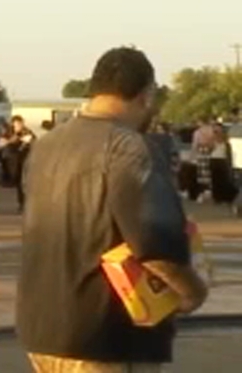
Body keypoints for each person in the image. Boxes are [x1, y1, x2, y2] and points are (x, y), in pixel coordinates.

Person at [19, 47, 206, 372]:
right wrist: (191, 291)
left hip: (43, 329)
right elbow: (154, 244)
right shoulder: (127, 147)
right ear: (145, 96)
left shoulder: (45, 146)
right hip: (105, 334)